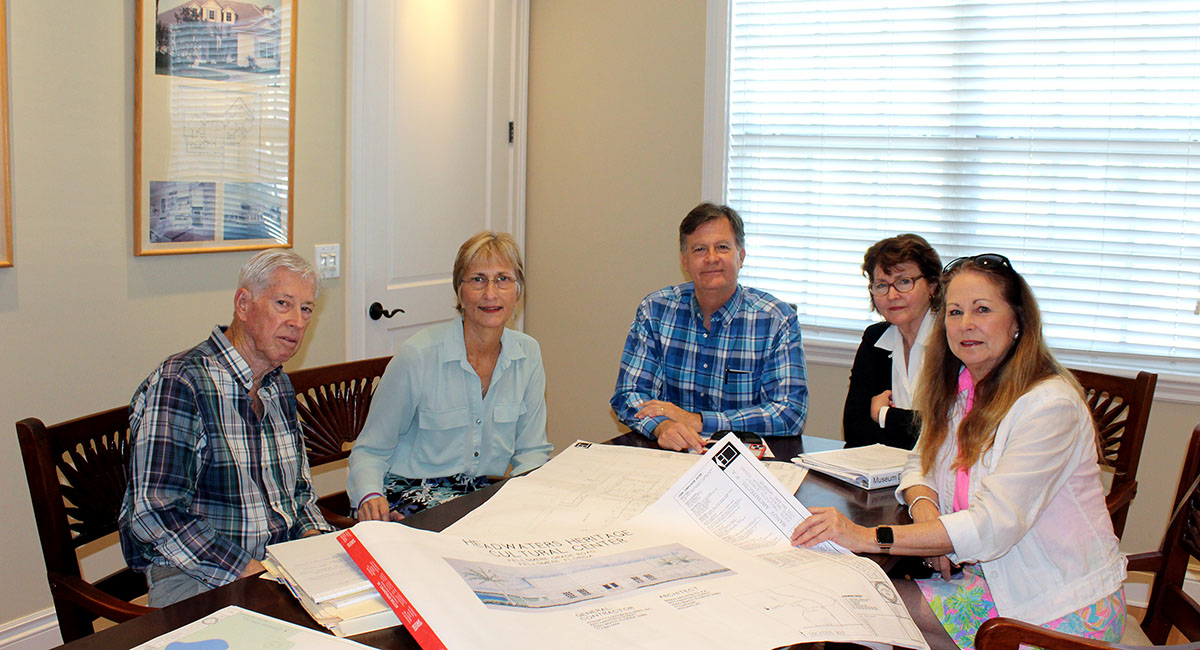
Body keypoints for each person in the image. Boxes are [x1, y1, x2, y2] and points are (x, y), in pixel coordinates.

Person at [791, 254, 1126, 649]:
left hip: (1053, 611)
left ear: (1018, 322)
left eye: (982, 309)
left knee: (855, 610)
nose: (965, 323)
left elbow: (992, 527)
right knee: (852, 604)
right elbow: (920, 464)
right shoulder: (964, 387)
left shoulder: (1049, 406)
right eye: (954, 311)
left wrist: (867, 536)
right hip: (989, 589)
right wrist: (925, 514)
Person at [119, 249, 333, 607]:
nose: (297, 321)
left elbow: (298, 491)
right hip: (197, 575)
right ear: (243, 304)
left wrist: (315, 544)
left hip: (275, 566)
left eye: (306, 309)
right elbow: (154, 511)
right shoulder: (182, 383)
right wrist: (253, 571)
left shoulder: (275, 383)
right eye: (284, 303)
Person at [348, 231, 551, 522]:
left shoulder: (528, 354)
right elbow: (369, 450)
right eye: (478, 279)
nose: (491, 293)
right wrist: (369, 495)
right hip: (408, 494)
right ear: (460, 292)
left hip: (478, 495)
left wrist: (523, 501)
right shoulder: (418, 356)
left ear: (518, 291)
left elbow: (532, 451)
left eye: (503, 279)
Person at [610, 202, 808, 453]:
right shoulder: (656, 310)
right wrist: (663, 426)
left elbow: (790, 413)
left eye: (722, 247)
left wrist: (698, 421)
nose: (711, 258)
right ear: (685, 260)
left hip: (746, 464)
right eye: (699, 249)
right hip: (672, 455)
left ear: (741, 256)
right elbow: (629, 394)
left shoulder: (776, 319)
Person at [843, 234, 941, 449]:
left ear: (933, 284)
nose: (892, 294)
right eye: (881, 285)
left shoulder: (951, 341)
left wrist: (884, 414)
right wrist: (910, 422)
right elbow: (854, 429)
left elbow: (943, 433)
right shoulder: (875, 339)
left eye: (904, 282)